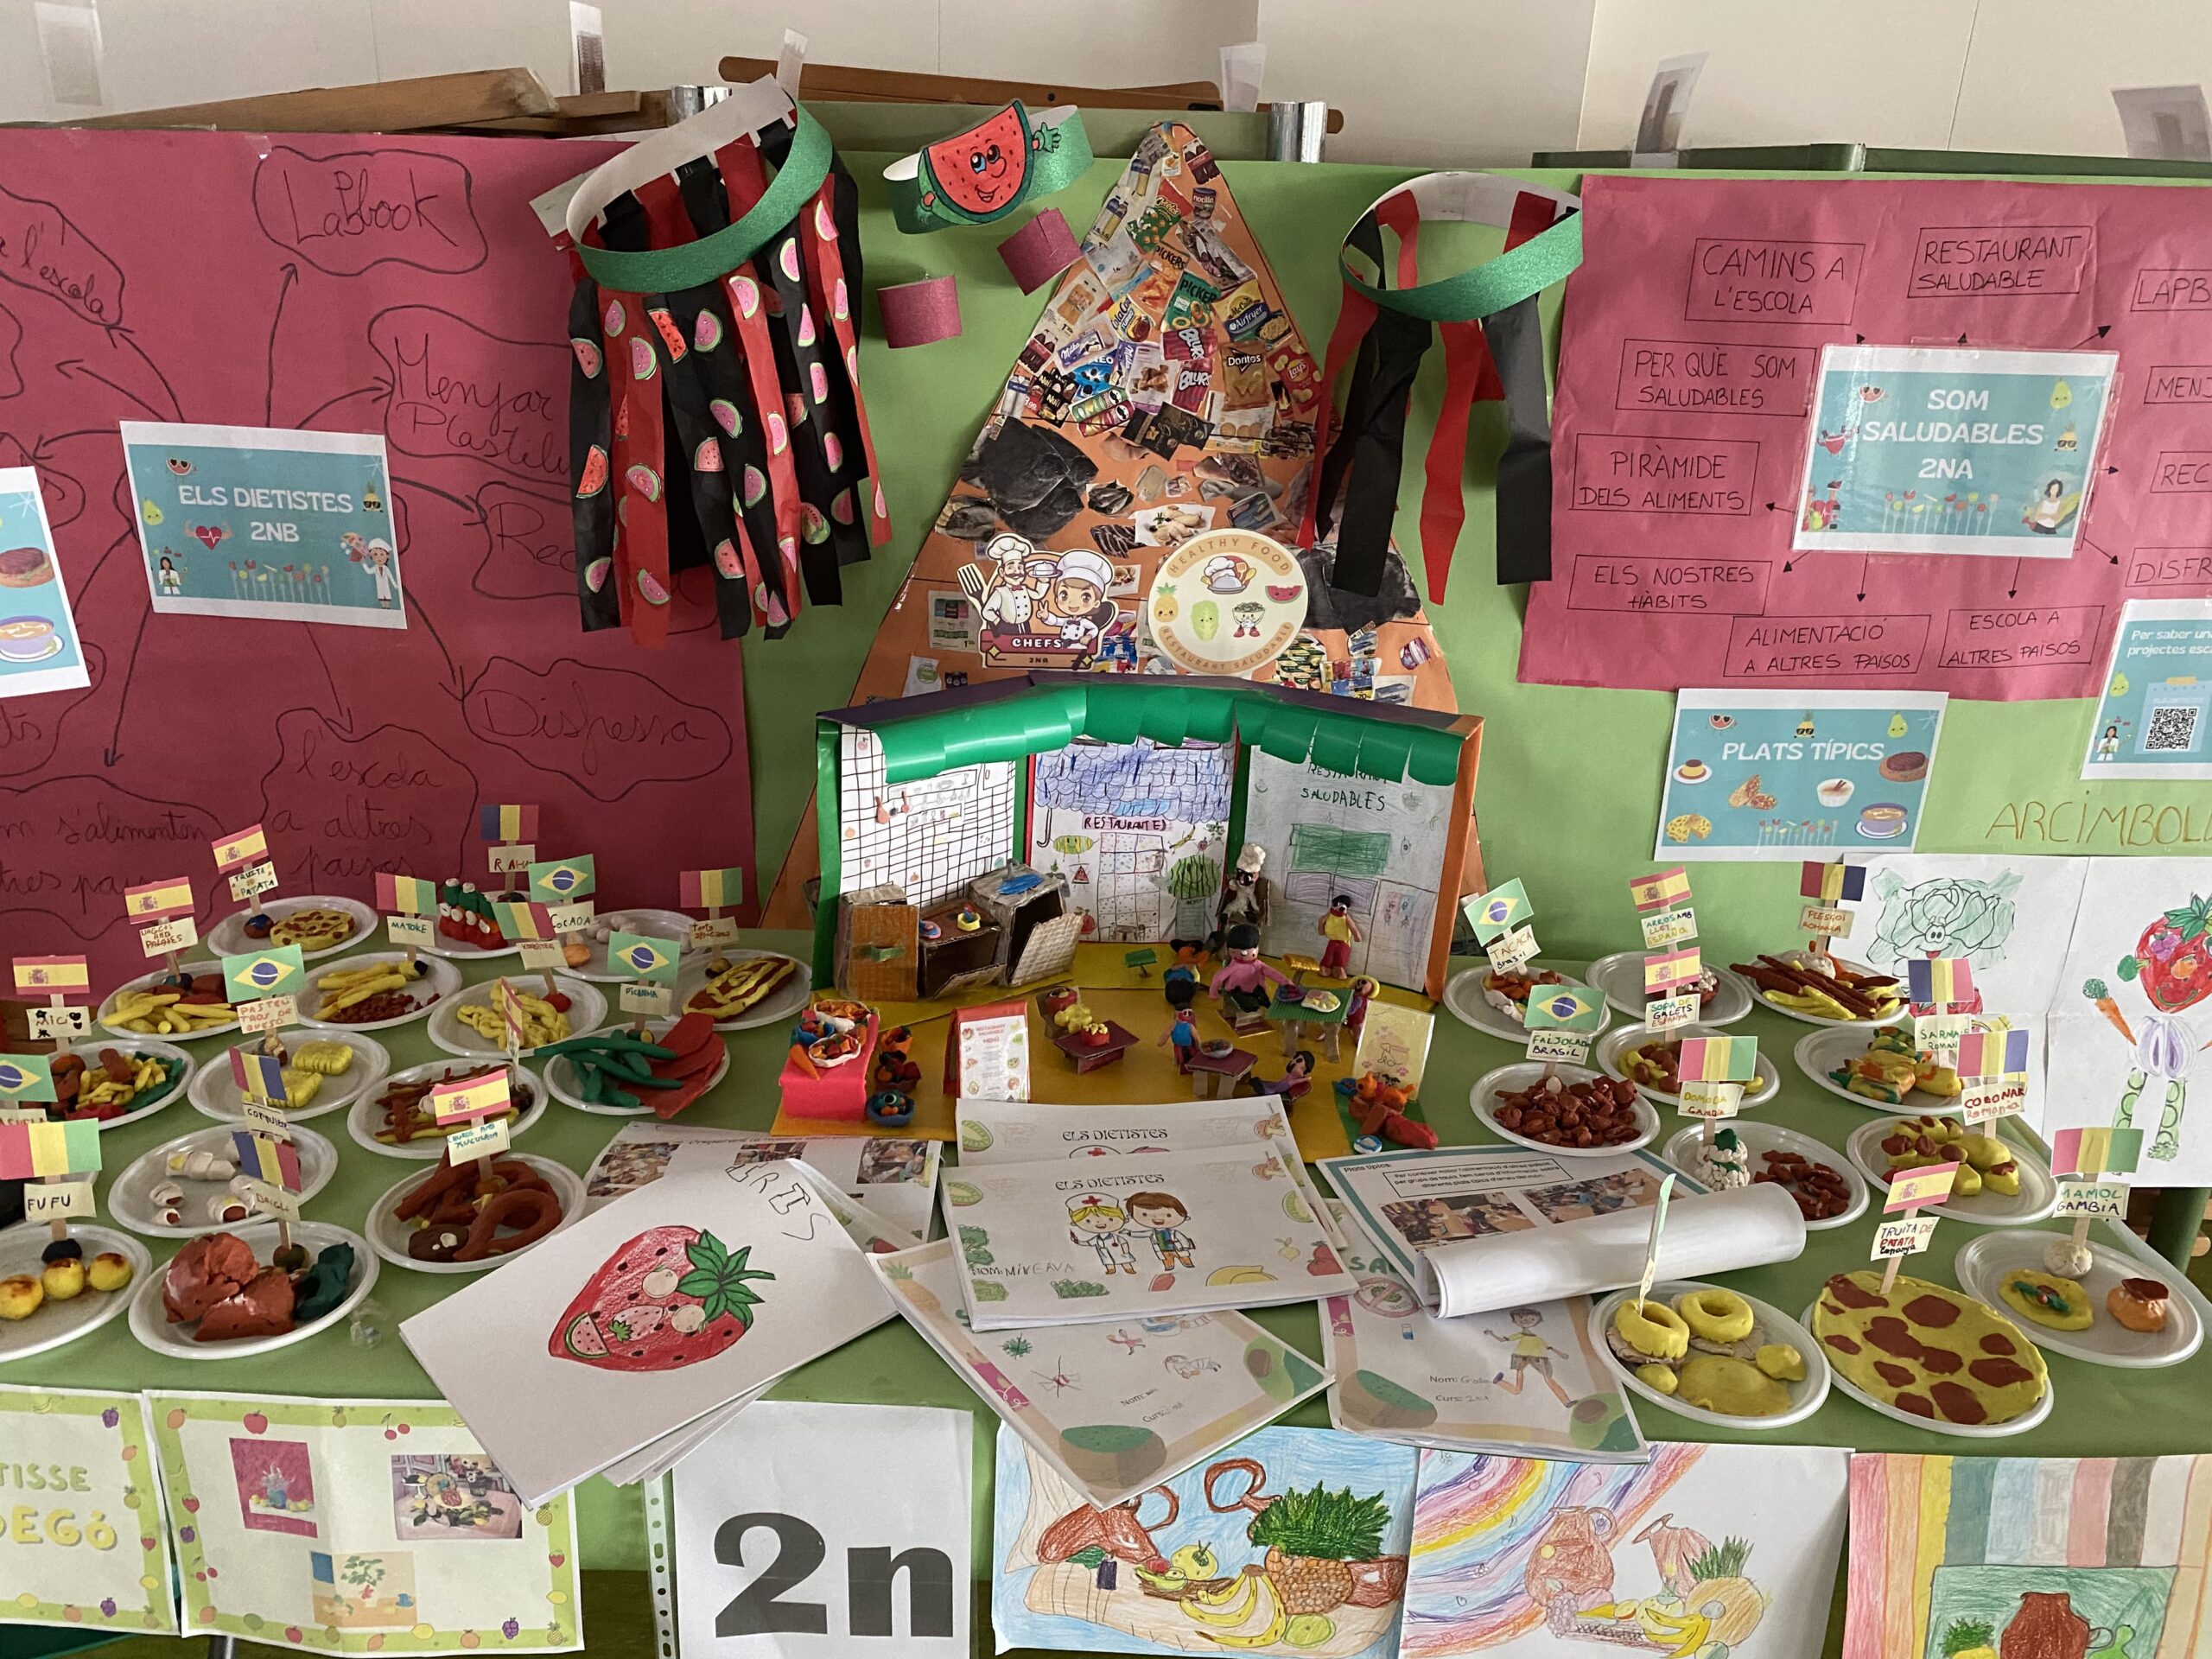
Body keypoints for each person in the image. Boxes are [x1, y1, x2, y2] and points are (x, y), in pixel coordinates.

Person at [1486, 1306, 1573, 1406]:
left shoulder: (1537, 1338)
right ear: (1515, 1321)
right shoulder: (1521, 1334)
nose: (1526, 1321)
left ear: (1538, 1321)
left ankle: (1566, 1401)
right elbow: (1502, 1340)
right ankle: (1500, 1383)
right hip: (1522, 1356)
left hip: (1538, 1358)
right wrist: (1492, 1334)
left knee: (1548, 1378)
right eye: (1521, 1319)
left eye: (1531, 1319)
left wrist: (1561, 1354)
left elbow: (1549, 1347)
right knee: (1520, 1383)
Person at [1210, 922, 1291, 1014]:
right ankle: (1250, 1012)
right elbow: (1219, 978)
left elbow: (1274, 974)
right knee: (1250, 1006)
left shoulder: (1258, 965)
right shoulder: (1233, 966)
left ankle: (1266, 1009)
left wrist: (1286, 983)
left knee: (1264, 1000)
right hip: (1237, 991)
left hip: (1256, 990)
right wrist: (1213, 993)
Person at [1067, 1192, 1137, 1275]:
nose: (1100, 1222)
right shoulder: (1097, 1239)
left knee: (1124, 1261)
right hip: (1105, 1254)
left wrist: (1126, 1252)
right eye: (1088, 1221)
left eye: (1110, 1219)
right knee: (1107, 1261)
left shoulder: (1115, 1237)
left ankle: (1128, 1269)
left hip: (1120, 1253)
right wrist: (1077, 1241)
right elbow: (1088, 1243)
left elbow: (1124, 1243)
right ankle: (1111, 1270)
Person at [1128, 1191, 1196, 1270]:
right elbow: (1142, 1234)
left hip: (1177, 1248)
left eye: (1168, 1215)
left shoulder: (1173, 1232)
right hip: (1163, 1249)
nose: (1158, 1219)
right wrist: (1130, 1233)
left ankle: (1188, 1264)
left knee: (1184, 1257)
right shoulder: (1152, 1232)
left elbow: (1182, 1238)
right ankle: (1169, 1267)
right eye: (1145, 1215)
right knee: (1167, 1259)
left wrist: (1185, 1246)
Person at [1318, 896, 1363, 976]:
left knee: (1341, 959)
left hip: (1343, 943)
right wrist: (1321, 930)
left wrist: (1357, 935)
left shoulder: (1345, 917)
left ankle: (1339, 971)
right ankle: (1326, 969)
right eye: (1336, 904)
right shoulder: (1330, 914)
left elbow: (1352, 926)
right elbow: (1321, 920)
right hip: (1332, 941)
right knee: (1328, 958)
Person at [1157, 1007, 1199, 1071]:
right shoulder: (1174, 1025)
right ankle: (1179, 1062)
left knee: (1189, 1055)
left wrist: (1198, 1043)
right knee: (1180, 1055)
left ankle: (1183, 1063)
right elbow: (1166, 1034)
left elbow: (1196, 1036)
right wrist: (1161, 1042)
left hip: (1188, 1046)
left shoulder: (1190, 1026)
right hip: (1178, 1046)